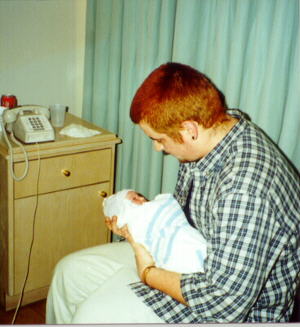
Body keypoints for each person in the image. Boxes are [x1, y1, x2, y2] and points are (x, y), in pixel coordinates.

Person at [46, 62, 300, 323]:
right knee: (68, 273)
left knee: (92, 317)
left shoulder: (245, 189)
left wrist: (148, 273)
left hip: (227, 306)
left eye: (159, 139)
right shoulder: (215, 130)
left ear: (189, 130)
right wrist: (137, 227)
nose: (158, 148)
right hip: (186, 254)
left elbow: (224, 305)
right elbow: (182, 216)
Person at [103, 189, 207, 273]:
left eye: (139, 195)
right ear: (125, 209)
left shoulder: (156, 205)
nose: (142, 198)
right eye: (134, 198)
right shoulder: (135, 220)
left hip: (185, 235)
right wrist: (128, 234)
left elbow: (169, 207)